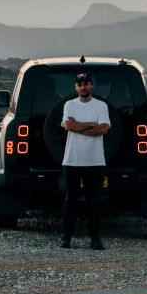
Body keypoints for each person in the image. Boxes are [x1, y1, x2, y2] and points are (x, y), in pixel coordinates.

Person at [60, 72, 110, 250]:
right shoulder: (69, 105)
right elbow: (68, 126)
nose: (83, 87)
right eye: (80, 84)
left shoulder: (101, 106)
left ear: (91, 85)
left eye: (86, 84)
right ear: (76, 87)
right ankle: (66, 237)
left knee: (94, 202)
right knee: (69, 201)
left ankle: (95, 238)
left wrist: (78, 127)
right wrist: (91, 124)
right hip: (72, 160)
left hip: (95, 160)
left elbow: (103, 129)